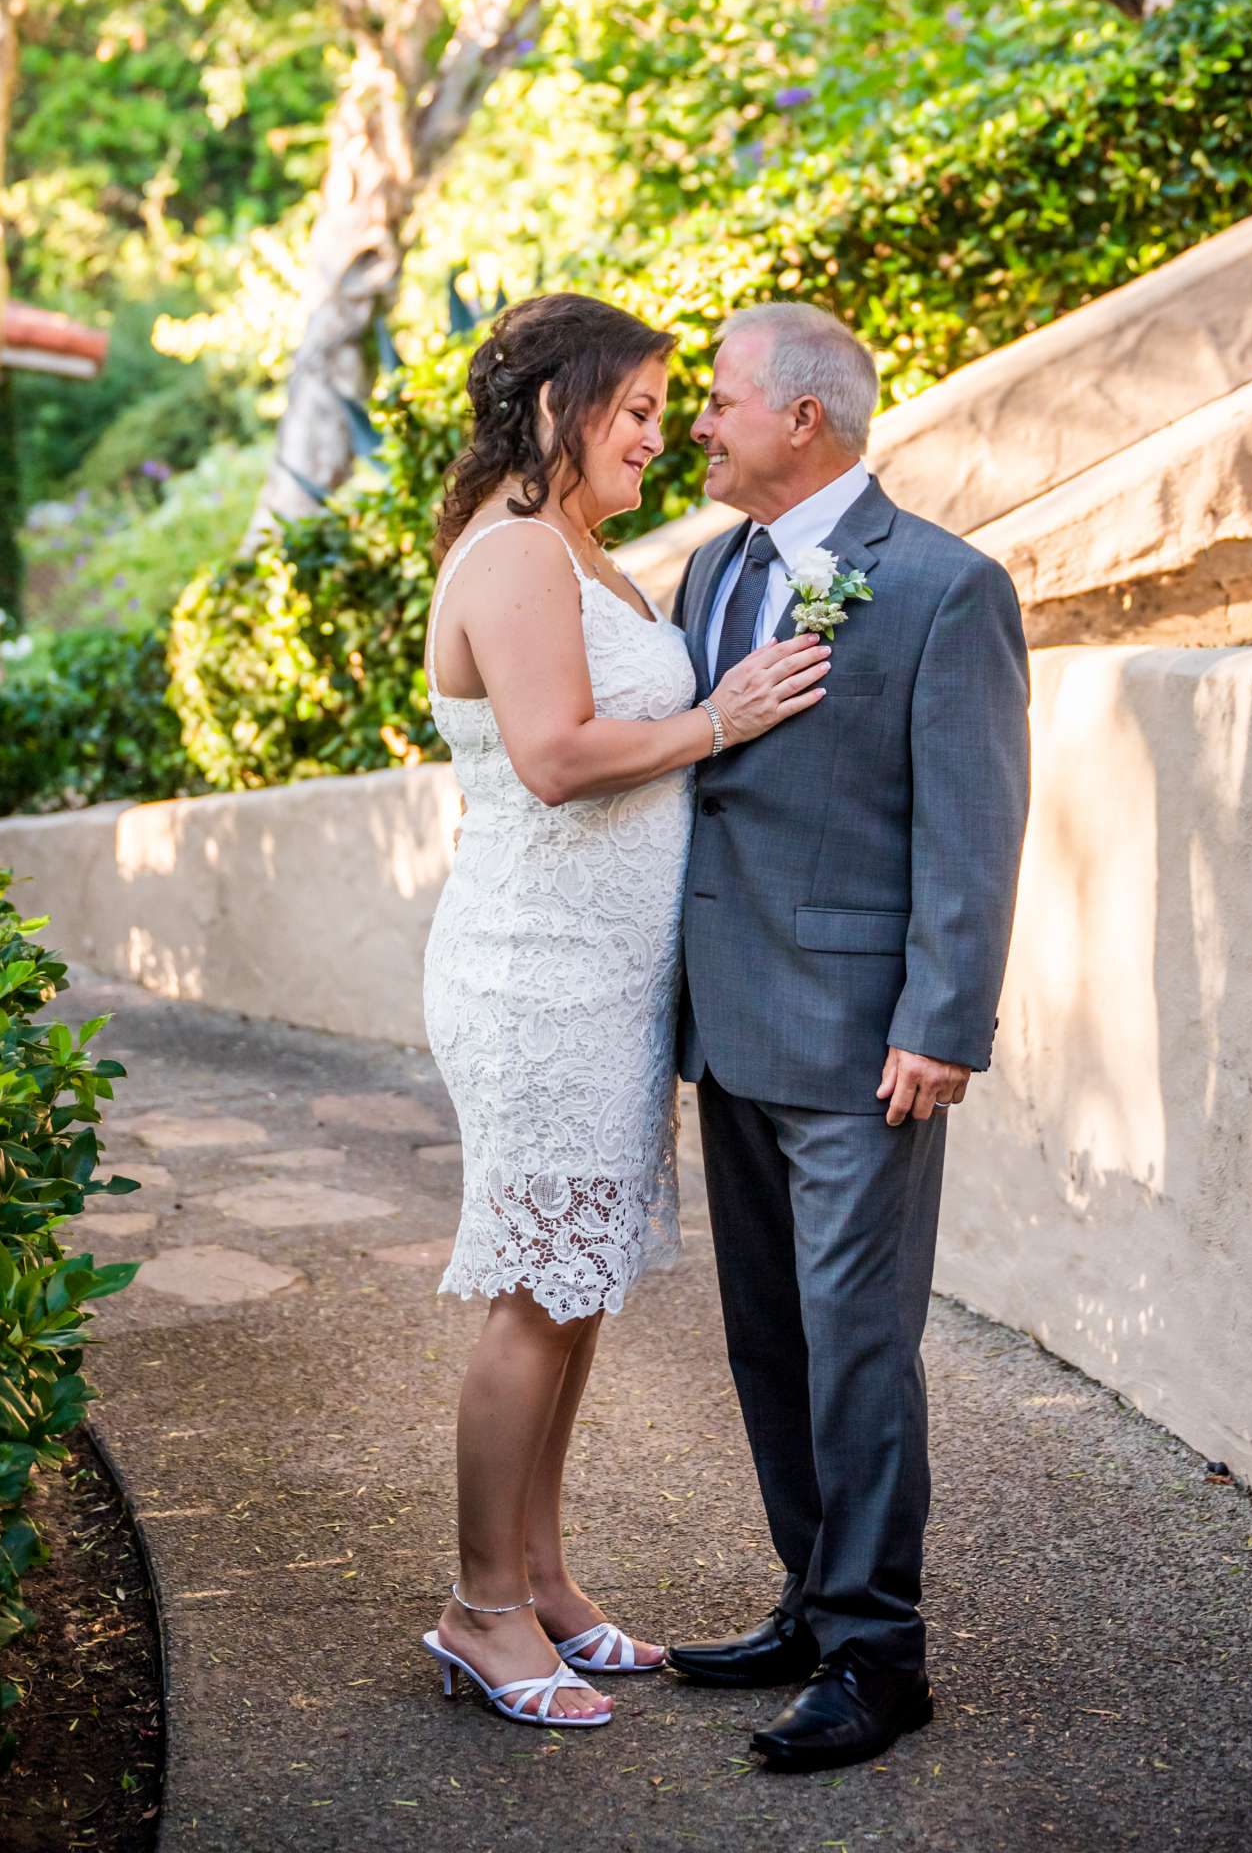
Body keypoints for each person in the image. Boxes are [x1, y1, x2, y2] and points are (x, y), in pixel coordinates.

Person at [419, 292, 830, 1730]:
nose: (664, 434)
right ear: (554, 411)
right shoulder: (523, 550)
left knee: (575, 1289)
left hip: (604, 980)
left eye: (670, 409)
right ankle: (478, 1609)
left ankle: (538, 1573)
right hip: (535, 977)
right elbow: (553, 755)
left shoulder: (577, 550)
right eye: (639, 409)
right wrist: (722, 718)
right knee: (538, 1294)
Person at [666, 302, 1031, 1773]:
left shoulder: (943, 588)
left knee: (856, 1349)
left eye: (714, 400)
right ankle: (811, 1606)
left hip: (859, 1044)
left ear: (799, 418)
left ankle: (881, 1653)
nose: (695, 421)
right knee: (765, 1340)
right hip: (727, 1029)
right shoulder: (708, 571)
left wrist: (941, 1021)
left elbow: (973, 820)